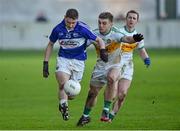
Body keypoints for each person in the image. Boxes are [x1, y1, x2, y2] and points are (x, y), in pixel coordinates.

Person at [77, 12, 144, 126]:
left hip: (115, 65)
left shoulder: (116, 33)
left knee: (112, 78)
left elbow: (127, 39)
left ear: (111, 24)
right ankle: (85, 116)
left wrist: (134, 38)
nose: (101, 25)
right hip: (100, 67)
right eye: (99, 22)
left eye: (104, 23)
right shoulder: (94, 34)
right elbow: (82, 45)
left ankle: (106, 109)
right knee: (92, 93)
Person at [43, 8, 108, 121]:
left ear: (77, 20)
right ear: (64, 17)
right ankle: (64, 106)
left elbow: (99, 40)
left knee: (72, 94)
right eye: (69, 22)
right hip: (63, 59)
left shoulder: (83, 28)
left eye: (74, 22)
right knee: (63, 84)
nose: (71, 25)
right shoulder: (58, 29)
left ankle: (65, 101)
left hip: (79, 61)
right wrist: (45, 63)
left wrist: (102, 51)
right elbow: (50, 44)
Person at [108, 10, 151, 122]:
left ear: (137, 21)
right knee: (113, 94)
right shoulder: (119, 32)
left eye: (134, 18)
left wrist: (146, 59)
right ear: (125, 19)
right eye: (129, 17)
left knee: (122, 94)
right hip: (116, 64)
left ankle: (111, 115)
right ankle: (106, 108)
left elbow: (141, 50)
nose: (131, 20)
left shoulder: (137, 36)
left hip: (128, 66)